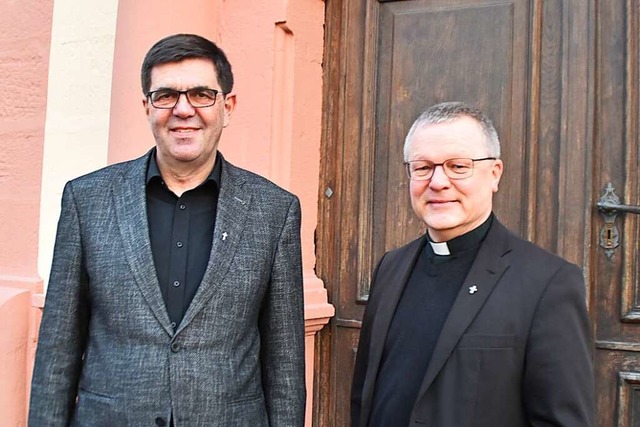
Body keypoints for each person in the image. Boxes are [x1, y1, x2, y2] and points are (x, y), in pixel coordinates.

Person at [29, 33, 305, 427]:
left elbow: (285, 364)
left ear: (228, 106)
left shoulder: (273, 210)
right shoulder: (87, 200)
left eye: (201, 94)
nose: (183, 109)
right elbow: (58, 348)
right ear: (146, 106)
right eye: (165, 96)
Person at [351, 102, 594, 426]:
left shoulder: (548, 282)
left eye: (458, 166)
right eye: (423, 167)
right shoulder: (390, 267)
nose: (437, 182)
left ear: (494, 174)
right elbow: (364, 396)